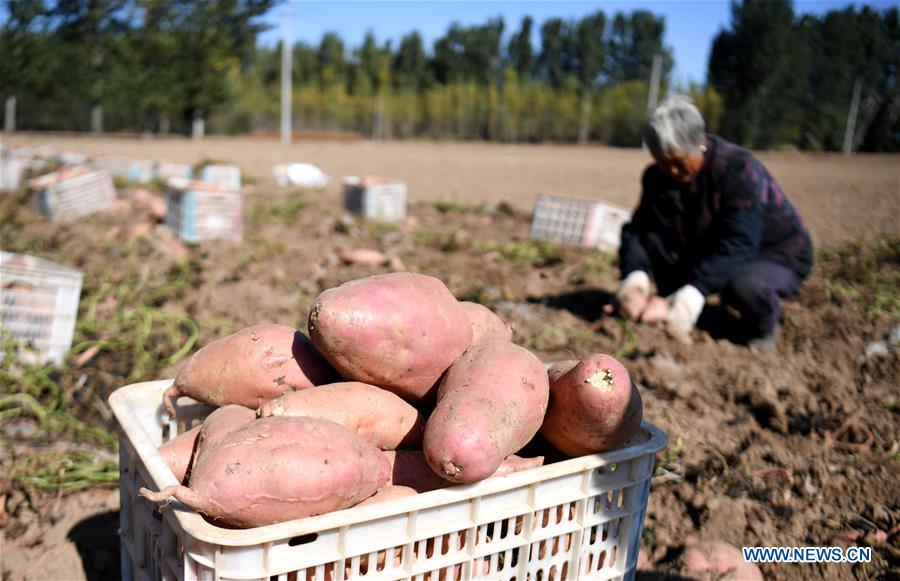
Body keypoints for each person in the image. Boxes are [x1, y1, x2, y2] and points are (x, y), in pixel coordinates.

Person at [606, 95, 813, 351]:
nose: (671, 172)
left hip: (774, 252)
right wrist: (635, 279)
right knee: (658, 239)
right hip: (712, 243)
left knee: (743, 286)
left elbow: (741, 241)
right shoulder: (656, 179)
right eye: (663, 163)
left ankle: (762, 329)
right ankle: (672, 307)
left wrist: (694, 291)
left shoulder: (736, 170)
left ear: (700, 143)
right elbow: (640, 230)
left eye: (679, 162)